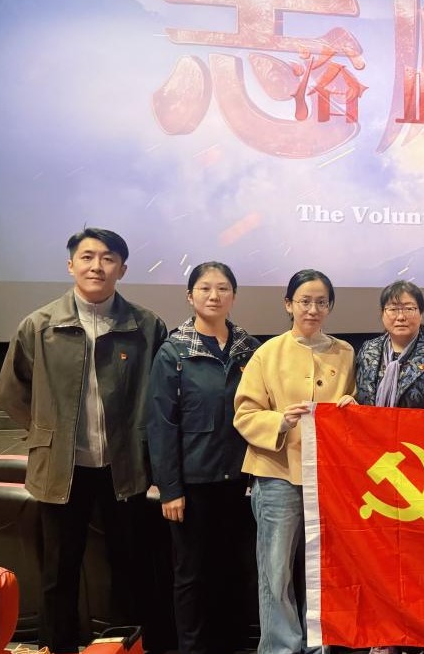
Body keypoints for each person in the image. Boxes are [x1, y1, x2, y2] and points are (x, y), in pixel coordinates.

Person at [0, 227, 168, 653]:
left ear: (122, 269)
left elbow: (161, 397)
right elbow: (11, 392)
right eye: (87, 257)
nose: (97, 266)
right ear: (71, 264)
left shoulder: (146, 326)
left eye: (108, 258)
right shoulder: (40, 325)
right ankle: (58, 646)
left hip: (124, 466)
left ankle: (125, 645)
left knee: (129, 566)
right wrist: (47, 434)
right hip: (62, 467)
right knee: (59, 569)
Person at [233, 269, 355, 654]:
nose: (312, 309)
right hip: (276, 475)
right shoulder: (267, 353)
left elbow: (356, 408)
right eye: (304, 301)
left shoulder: (345, 353)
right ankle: (281, 647)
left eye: (321, 302)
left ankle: (322, 643)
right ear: (288, 304)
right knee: (276, 570)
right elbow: (244, 414)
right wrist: (280, 421)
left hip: (328, 480)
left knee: (325, 569)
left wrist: (353, 406)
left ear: (330, 307)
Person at [147, 261, 260, 654]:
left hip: (241, 480)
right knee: (191, 574)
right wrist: (170, 488)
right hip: (193, 484)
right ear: (190, 296)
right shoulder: (173, 351)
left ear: (234, 296)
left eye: (223, 288)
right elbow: (161, 423)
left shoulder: (249, 349)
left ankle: (231, 644)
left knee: (235, 569)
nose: (215, 296)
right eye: (205, 288)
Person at [352, 280, 424, 410]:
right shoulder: (368, 350)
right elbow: (360, 399)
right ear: (382, 314)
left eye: (409, 309)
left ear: (421, 314)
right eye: (393, 309)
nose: (401, 317)